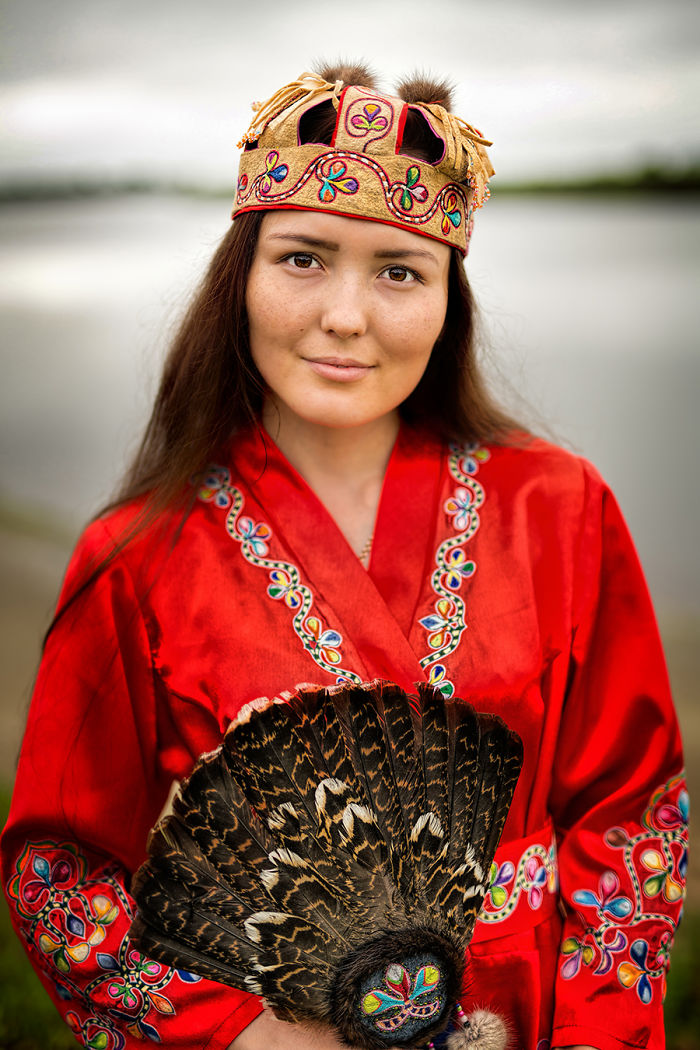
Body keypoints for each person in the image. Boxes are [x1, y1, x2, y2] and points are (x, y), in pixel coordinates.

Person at [1, 62, 687, 1050]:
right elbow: (61, 873)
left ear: (451, 297)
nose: (346, 316)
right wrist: (238, 1036)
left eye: (399, 271)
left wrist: (594, 1033)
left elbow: (630, 811)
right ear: (242, 277)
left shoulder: (559, 506)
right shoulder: (137, 555)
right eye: (303, 258)